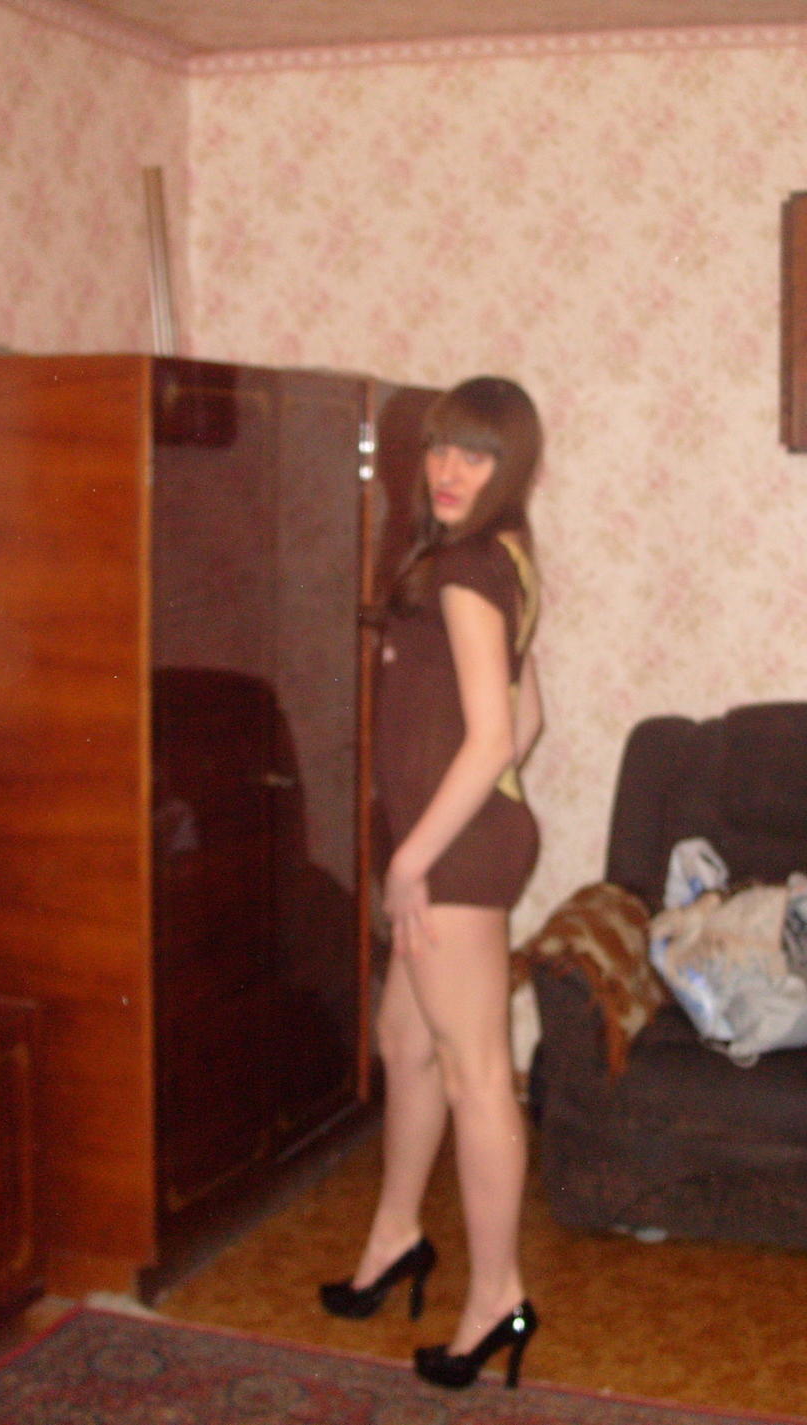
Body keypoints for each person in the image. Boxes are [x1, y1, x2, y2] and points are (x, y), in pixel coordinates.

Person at [319, 376, 545, 1391]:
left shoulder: (465, 567)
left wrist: (415, 858)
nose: (450, 470)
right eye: (442, 449)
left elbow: (494, 736)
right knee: (404, 1040)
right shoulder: (495, 556)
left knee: (475, 1074)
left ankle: (497, 1297)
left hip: (447, 858)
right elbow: (527, 714)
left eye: (477, 455)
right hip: (450, 842)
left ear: (511, 465)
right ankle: (396, 1235)